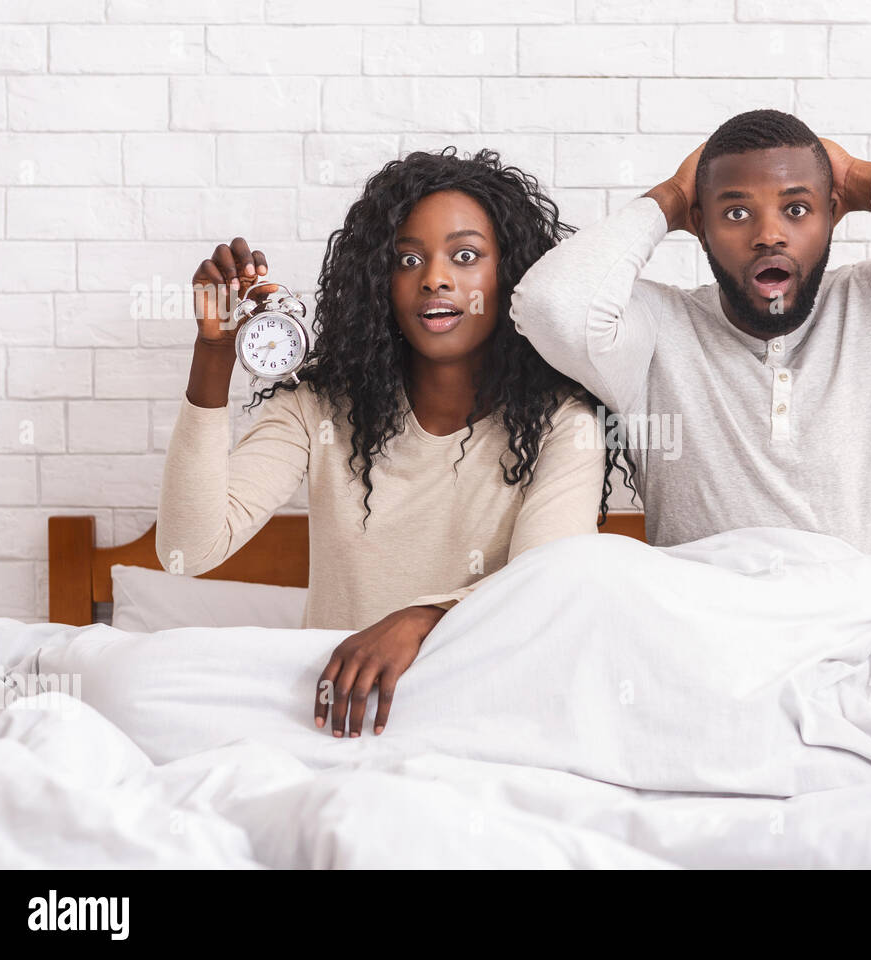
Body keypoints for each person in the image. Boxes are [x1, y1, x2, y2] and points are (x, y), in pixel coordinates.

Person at [156, 148, 633, 738]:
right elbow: (189, 548)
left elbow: (544, 586)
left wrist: (422, 618)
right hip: (337, 727)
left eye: (465, 256)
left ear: (509, 274)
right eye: (408, 258)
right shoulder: (317, 408)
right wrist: (214, 353)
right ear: (380, 282)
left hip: (485, 719)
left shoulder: (564, 424)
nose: (435, 277)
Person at [510, 109, 871, 553]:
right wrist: (671, 198)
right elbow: (550, 307)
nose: (768, 235)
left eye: (797, 209)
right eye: (735, 213)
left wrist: (862, 179)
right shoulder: (658, 330)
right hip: (706, 652)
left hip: (860, 648)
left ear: (834, 212)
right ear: (699, 228)